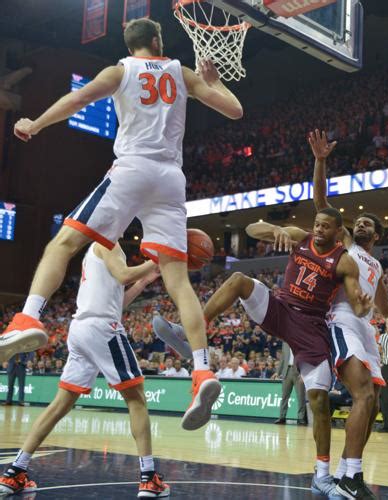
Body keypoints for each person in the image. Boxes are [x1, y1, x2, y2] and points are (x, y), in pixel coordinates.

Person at [1, 18, 243, 430]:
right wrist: (214, 81)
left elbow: (76, 101)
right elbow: (235, 110)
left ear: (132, 46)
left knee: (62, 243)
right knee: (178, 281)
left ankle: (28, 318)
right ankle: (202, 370)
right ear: (157, 41)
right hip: (171, 178)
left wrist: (35, 124)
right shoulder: (181, 72)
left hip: (132, 169)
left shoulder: (120, 70)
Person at [153, 208, 372, 498]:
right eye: (317, 224)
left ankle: (321, 475)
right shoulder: (300, 237)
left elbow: (357, 306)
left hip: (310, 327)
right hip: (279, 309)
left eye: (326, 227)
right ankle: (191, 331)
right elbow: (251, 230)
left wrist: (364, 305)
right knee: (239, 280)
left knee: (318, 400)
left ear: (336, 231)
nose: (319, 230)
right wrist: (273, 228)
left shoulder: (344, 262)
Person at [0, 242, 169, 498]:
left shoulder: (98, 248)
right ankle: (149, 478)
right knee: (137, 400)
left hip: (80, 329)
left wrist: (144, 281)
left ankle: (14, 472)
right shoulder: (109, 241)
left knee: (60, 405)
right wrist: (154, 262)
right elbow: (123, 275)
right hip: (102, 329)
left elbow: (116, 301)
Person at [310, 129, 388, 499]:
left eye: (367, 223)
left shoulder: (376, 265)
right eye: (357, 221)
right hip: (342, 320)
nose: (360, 224)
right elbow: (321, 202)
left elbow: (386, 308)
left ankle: (351, 473)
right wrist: (320, 161)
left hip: (366, 328)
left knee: (373, 401)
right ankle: (349, 478)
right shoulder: (345, 243)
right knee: (362, 395)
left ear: (376, 235)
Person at [274, 342, 307, 426]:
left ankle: (301, 418)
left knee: (300, 396)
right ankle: (282, 417)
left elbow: (305, 358)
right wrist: (278, 372)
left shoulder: (301, 340)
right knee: (284, 396)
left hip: (298, 372)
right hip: (287, 371)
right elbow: (283, 359)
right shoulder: (285, 343)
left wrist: (304, 373)